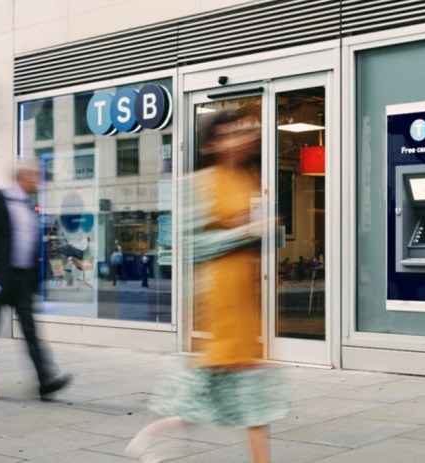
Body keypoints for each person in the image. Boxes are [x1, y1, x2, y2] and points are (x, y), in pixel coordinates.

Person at [125, 109, 285, 463]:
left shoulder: (246, 180)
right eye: (228, 135)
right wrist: (245, 231)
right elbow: (192, 246)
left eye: (241, 132)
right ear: (210, 144)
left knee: (229, 397)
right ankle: (154, 433)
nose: (239, 139)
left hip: (243, 297)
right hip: (218, 302)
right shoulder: (197, 184)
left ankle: (153, 434)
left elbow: (251, 235)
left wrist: (261, 229)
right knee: (244, 399)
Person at [0, 159, 72, 401]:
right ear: (22, 176)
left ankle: (46, 381)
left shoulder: (28, 205)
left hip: (21, 280)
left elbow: (31, 244)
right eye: (34, 176)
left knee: (31, 331)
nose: (38, 181)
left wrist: (36, 279)